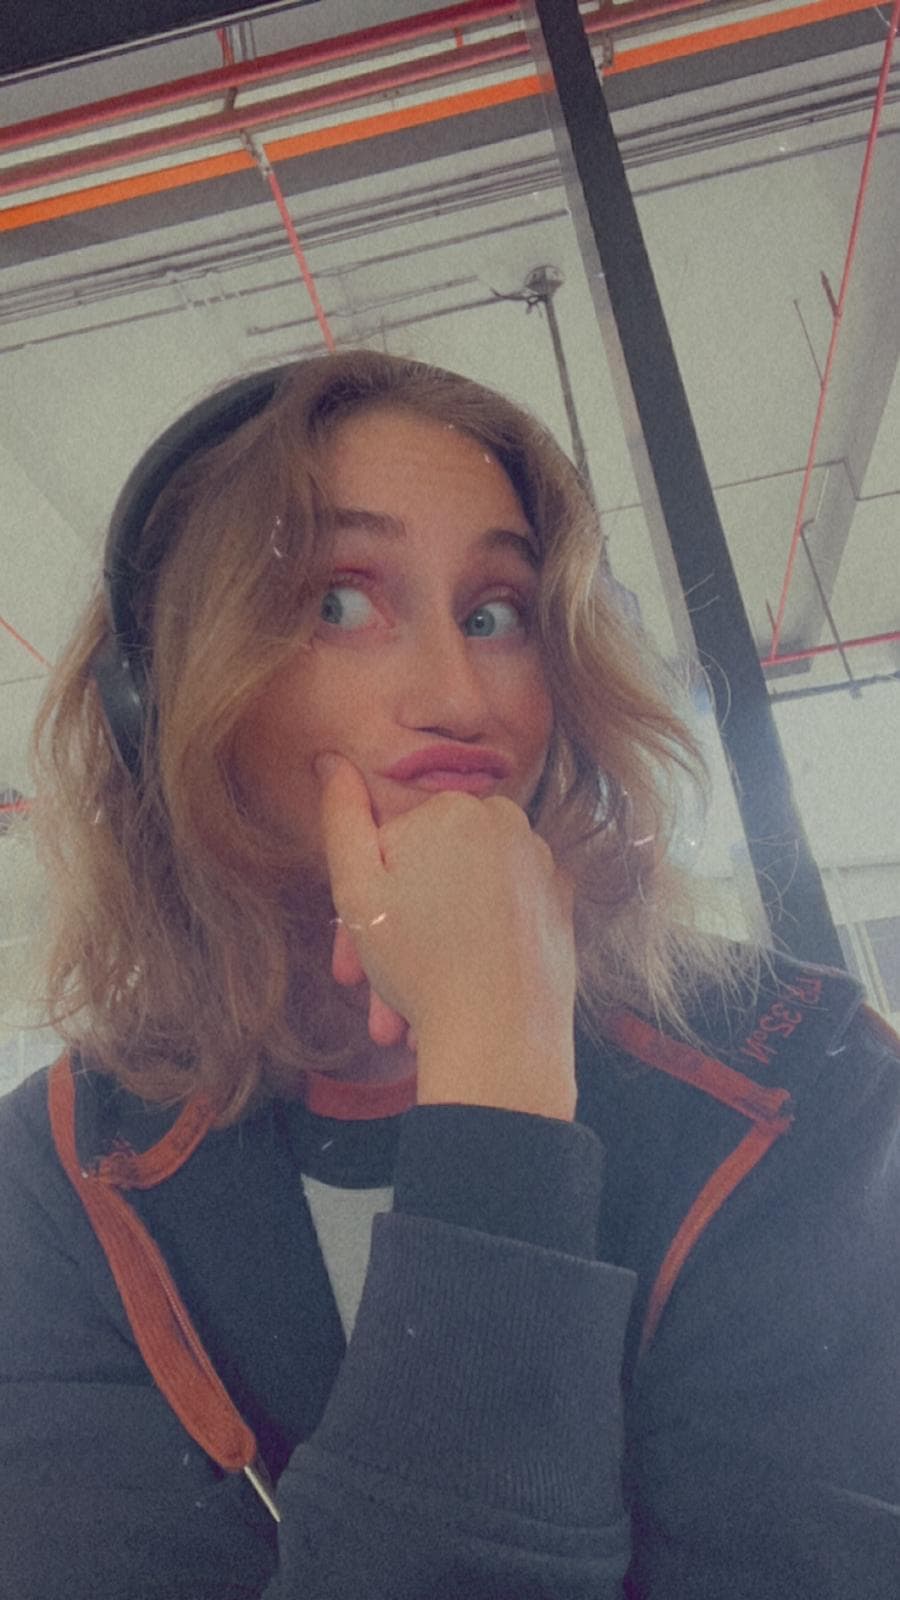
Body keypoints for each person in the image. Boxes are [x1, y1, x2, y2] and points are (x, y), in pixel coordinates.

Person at [1, 348, 897, 1600]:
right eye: (339, 601)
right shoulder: (54, 1172)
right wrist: (495, 1069)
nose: (460, 696)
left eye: (495, 615)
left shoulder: (807, 1070)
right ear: (159, 696)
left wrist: (497, 1060)